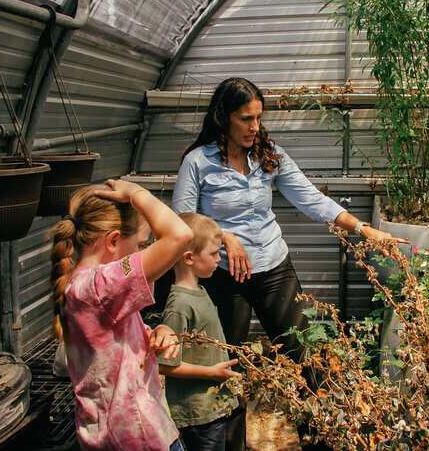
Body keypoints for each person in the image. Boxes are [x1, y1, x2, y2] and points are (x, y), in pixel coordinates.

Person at [171, 77, 407, 449]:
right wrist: (224, 236)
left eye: (258, 118)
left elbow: (312, 200)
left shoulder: (268, 155)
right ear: (223, 117)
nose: (254, 127)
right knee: (227, 370)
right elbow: (182, 221)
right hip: (223, 278)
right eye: (246, 119)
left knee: (306, 360)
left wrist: (363, 229)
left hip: (273, 269)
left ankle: (322, 440)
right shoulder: (197, 162)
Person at [50, 179, 194, 451]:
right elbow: (180, 235)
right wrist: (137, 193)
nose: (141, 252)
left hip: (112, 434)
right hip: (138, 437)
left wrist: (156, 332)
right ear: (113, 240)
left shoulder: (82, 286)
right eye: (139, 244)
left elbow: (112, 349)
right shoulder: (100, 285)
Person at [158, 212, 241, 451]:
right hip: (198, 413)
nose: (218, 259)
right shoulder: (180, 305)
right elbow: (164, 364)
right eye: (213, 253)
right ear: (188, 258)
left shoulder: (200, 291)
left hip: (213, 406)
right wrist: (210, 373)